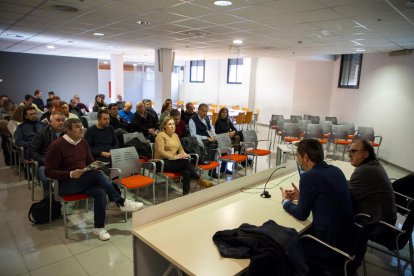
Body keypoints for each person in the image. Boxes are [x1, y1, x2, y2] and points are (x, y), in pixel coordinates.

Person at [45, 118, 143, 241]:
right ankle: (121, 202)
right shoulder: (57, 145)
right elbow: (48, 171)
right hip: (66, 184)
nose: (81, 129)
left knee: (100, 191)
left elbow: (91, 162)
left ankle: (99, 228)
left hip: (83, 180)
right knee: (98, 176)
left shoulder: (83, 142)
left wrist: (94, 167)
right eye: (77, 127)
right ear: (67, 130)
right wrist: (70, 174)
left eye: (81, 126)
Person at [280, 139, 353, 266]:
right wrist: (302, 195)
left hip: (328, 245)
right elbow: (325, 197)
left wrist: (285, 201)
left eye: (297, 156)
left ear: (306, 158)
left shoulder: (309, 177)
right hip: (347, 240)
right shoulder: (336, 171)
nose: (297, 160)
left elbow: (301, 214)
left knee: (286, 244)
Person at [348, 139, 397, 244]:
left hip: (378, 227)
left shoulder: (364, 171)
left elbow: (346, 198)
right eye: (349, 151)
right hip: (387, 220)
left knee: (336, 211)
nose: (349, 155)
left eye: (353, 151)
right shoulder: (374, 165)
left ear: (365, 154)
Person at [155, 116, 213, 195]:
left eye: (173, 124)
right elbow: (160, 151)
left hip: (174, 162)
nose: (172, 126)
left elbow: (180, 148)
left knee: (186, 172)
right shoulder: (160, 135)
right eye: (169, 124)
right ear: (164, 126)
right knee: (184, 162)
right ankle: (199, 179)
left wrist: (183, 154)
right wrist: (174, 157)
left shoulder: (175, 135)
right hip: (162, 162)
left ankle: (186, 194)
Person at [31, 111, 65, 196]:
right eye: (58, 120)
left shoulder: (67, 133)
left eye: (63, 120)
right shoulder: (41, 133)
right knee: (47, 179)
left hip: (64, 162)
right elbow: (33, 152)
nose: (61, 122)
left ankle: (66, 197)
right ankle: (48, 199)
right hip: (45, 163)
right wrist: (46, 161)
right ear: (50, 122)